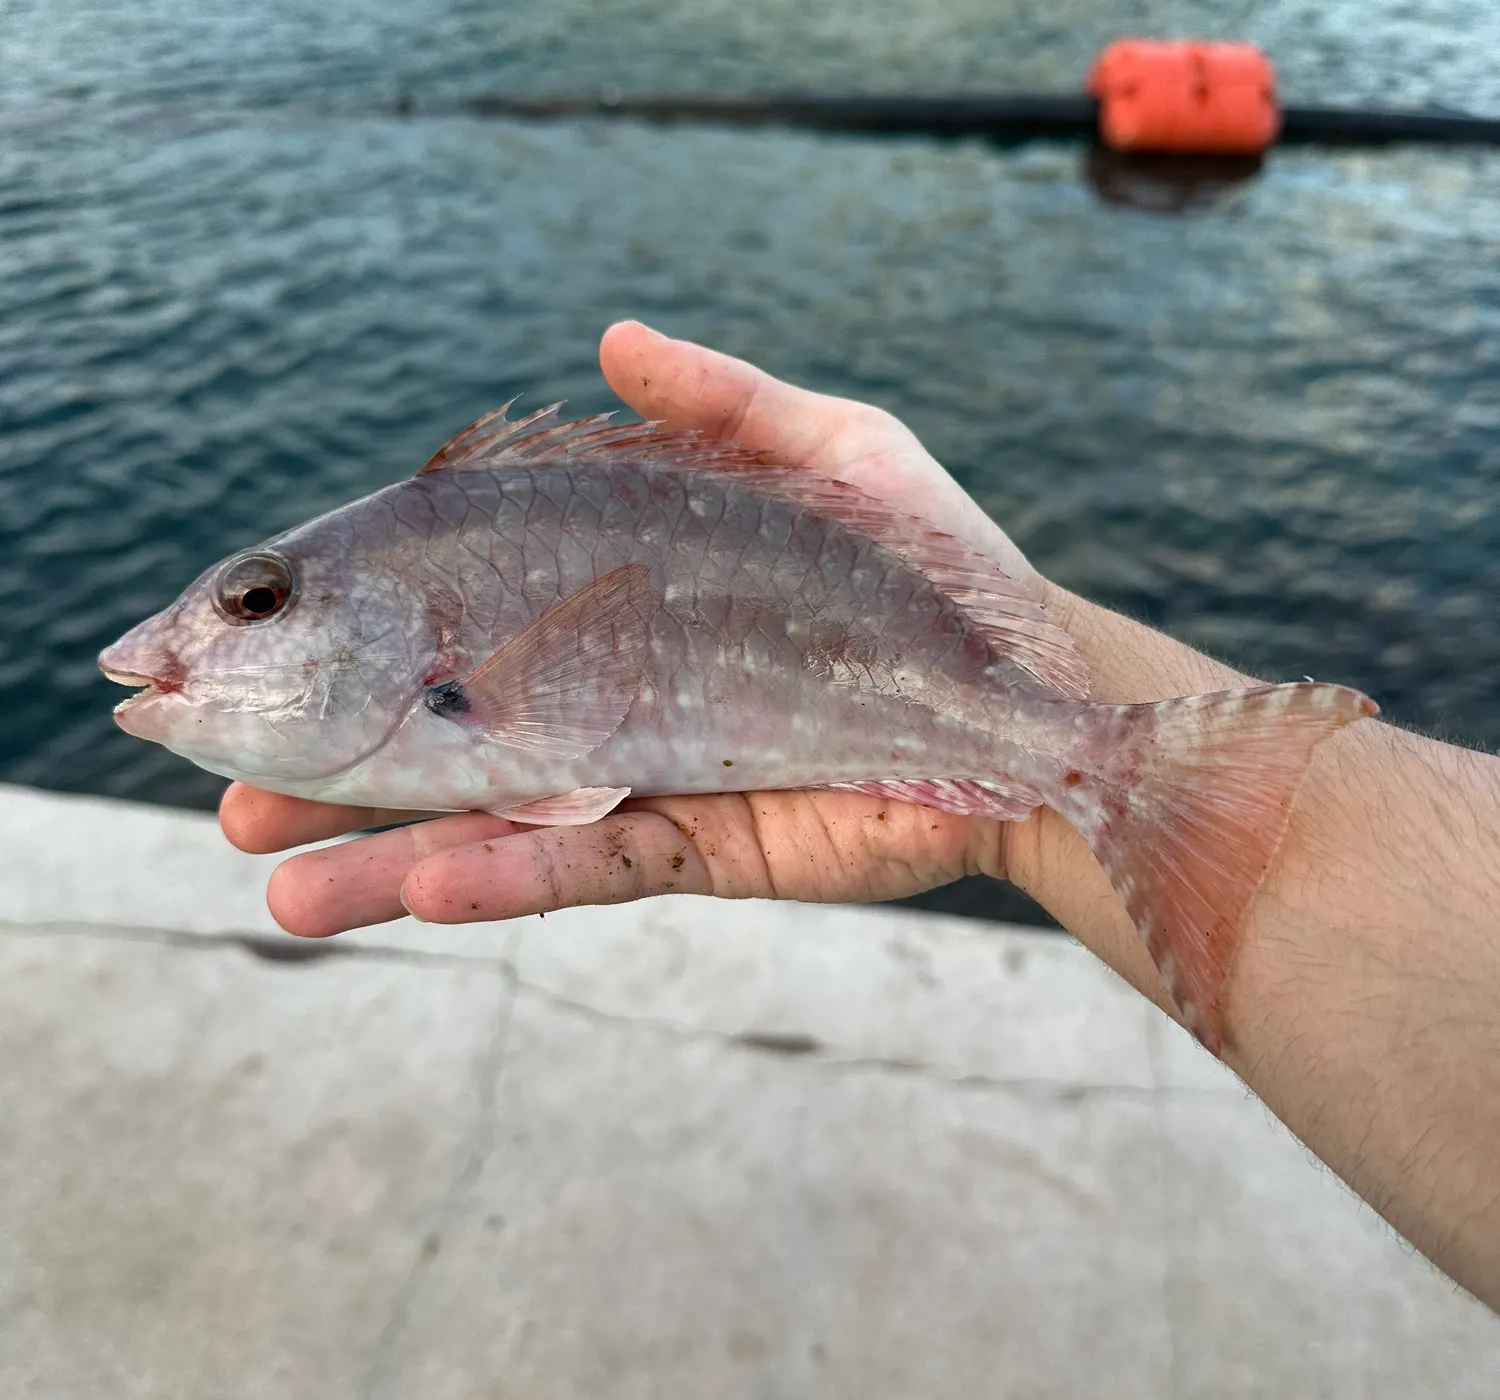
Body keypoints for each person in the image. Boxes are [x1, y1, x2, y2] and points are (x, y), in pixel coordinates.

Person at [219, 321, 1500, 1313]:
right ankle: (1117, 775)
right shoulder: (444, 665)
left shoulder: (453, 660)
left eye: (256, 600)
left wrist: (1063, 723)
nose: (181, 643)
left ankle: (1115, 774)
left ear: (393, 620)